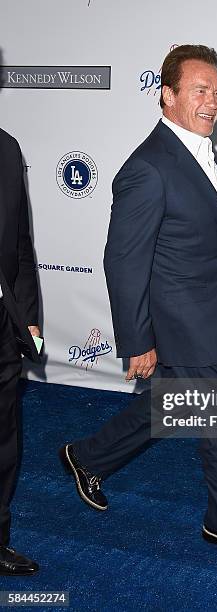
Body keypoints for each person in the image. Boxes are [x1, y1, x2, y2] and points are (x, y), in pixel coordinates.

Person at [60, 45, 217, 556]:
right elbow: (125, 261)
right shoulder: (148, 167)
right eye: (200, 90)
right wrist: (137, 340)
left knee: (169, 407)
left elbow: (190, 238)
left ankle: (87, 457)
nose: (213, 102)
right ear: (168, 95)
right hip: (186, 322)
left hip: (209, 306)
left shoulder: (197, 151)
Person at [0, 127, 41, 575]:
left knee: (3, 441)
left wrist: (28, 321)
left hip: (2, 319)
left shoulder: (7, 146)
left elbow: (19, 245)